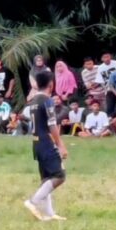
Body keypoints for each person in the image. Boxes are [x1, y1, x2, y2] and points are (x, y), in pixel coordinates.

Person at [22, 71, 68, 221]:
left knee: (47, 178)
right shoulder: (47, 100)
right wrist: (60, 145)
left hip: (36, 142)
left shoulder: (34, 100)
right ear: (51, 84)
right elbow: (52, 125)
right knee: (59, 176)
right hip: (46, 142)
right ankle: (33, 202)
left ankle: (49, 213)